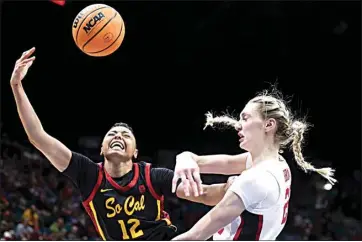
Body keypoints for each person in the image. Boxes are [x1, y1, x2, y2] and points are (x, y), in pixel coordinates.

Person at [9, 47, 230, 240]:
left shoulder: (154, 176)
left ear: (136, 153)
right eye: (112, 134)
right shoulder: (88, 174)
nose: (118, 136)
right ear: (101, 148)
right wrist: (17, 85)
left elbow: (204, 194)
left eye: (126, 135)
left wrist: (235, 187)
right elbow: (38, 137)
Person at [172, 89, 337, 240]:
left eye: (245, 118)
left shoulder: (257, 179)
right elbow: (221, 163)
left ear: (269, 125)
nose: (238, 125)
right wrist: (186, 158)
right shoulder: (276, 163)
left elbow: (196, 236)